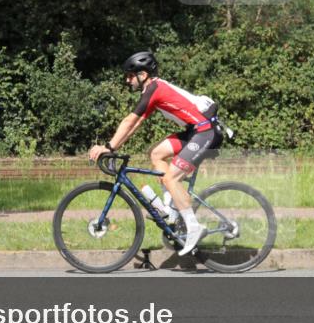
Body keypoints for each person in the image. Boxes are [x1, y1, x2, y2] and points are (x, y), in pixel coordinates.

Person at [88, 51, 222, 256]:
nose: (127, 80)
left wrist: (108, 148)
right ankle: (170, 209)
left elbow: (129, 121)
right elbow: (136, 124)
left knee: (171, 179)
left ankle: (194, 227)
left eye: (130, 76)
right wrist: (115, 147)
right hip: (194, 131)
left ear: (143, 75)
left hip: (205, 132)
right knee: (157, 154)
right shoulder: (152, 90)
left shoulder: (155, 89)